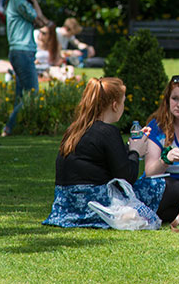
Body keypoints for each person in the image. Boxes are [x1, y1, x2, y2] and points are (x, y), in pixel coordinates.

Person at [43, 77, 165, 228]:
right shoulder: (108, 131)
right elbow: (127, 177)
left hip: (66, 207)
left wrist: (130, 147)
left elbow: (102, 159)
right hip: (97, 206)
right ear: (115, 105)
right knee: (160, 186)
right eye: (123, 102)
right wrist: (135, 152)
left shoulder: (74, 129)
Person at [1, 0, 51, 137]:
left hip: (24, 52)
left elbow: (41, 21)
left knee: (21, 96)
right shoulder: (18, 0)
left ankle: (16, 129)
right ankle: (8, 128)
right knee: (32, 93)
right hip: (21, 52)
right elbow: (40, 20)